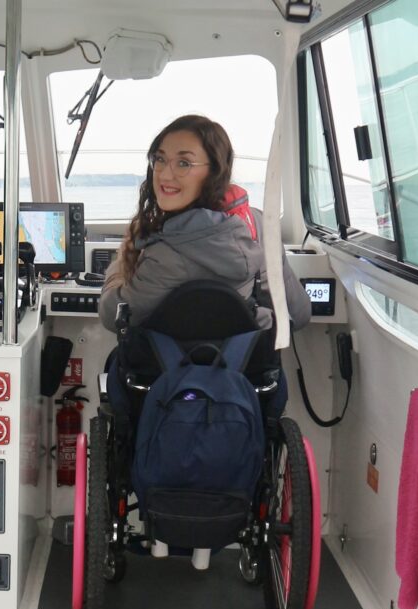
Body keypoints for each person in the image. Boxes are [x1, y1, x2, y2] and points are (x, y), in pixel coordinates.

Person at [98, 114, 310, 570]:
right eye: (160, 159)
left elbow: (110, 314)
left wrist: (118, 270)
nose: (165, 173)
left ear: (213, 171)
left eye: (183, 162)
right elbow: (301, 314)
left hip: (158, 394)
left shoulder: (159, 251)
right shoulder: (256, 228)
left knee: (118, 362)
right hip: (244, 390)